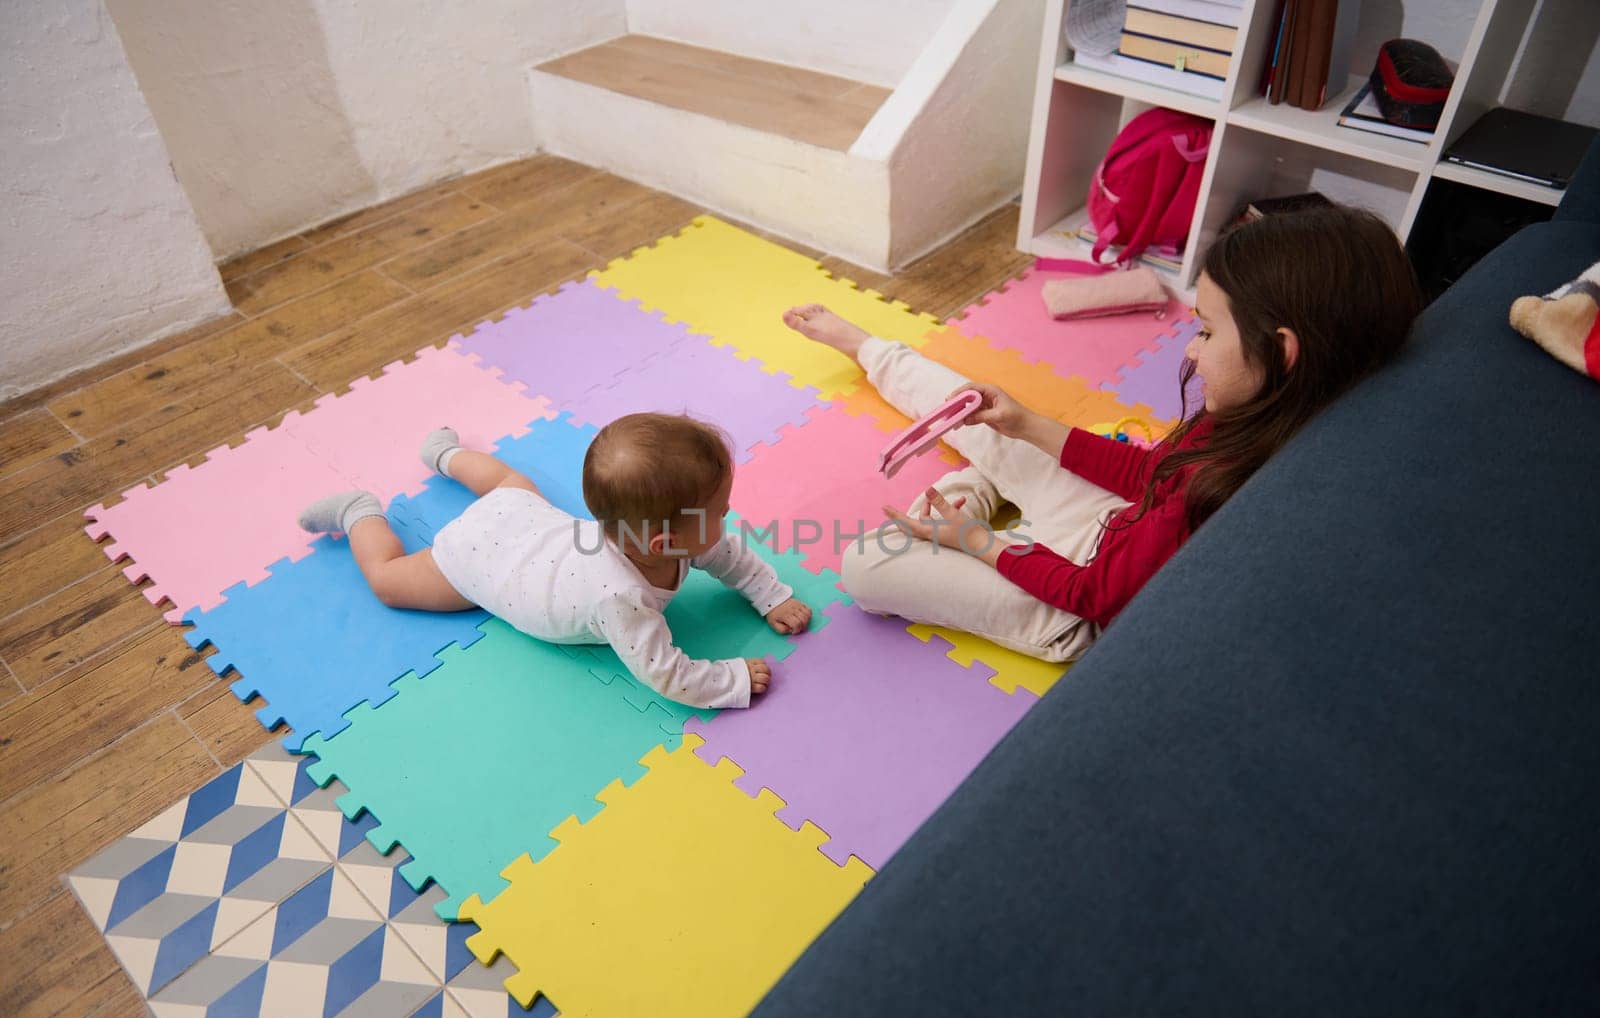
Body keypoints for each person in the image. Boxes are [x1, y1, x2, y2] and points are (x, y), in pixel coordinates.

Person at [784, 205, 1423, 662]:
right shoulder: (1260, 412)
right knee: (981, 409)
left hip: (1078, 601)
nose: (1193, 354)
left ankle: (974, 505)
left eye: (1205, 331)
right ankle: (870, 349)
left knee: (863, 567)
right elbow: (1151, 475)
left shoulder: (1233, 487)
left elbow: (1091, 593)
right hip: (1122, 523)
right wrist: (1028, 423)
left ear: (1282, 352)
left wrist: (975, 542)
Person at [296, 414, 813, 709]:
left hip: (524, 519)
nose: (727, 519)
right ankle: (360, 514)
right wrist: (732, 679)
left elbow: (730, 557)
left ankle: (444, 457)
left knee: (508, 484)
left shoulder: (686, 537)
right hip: (479, 569)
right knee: (388, 581)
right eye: (720, 510)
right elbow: (667, 673)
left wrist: (770, 595)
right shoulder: (621, 597)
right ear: (661, 543)